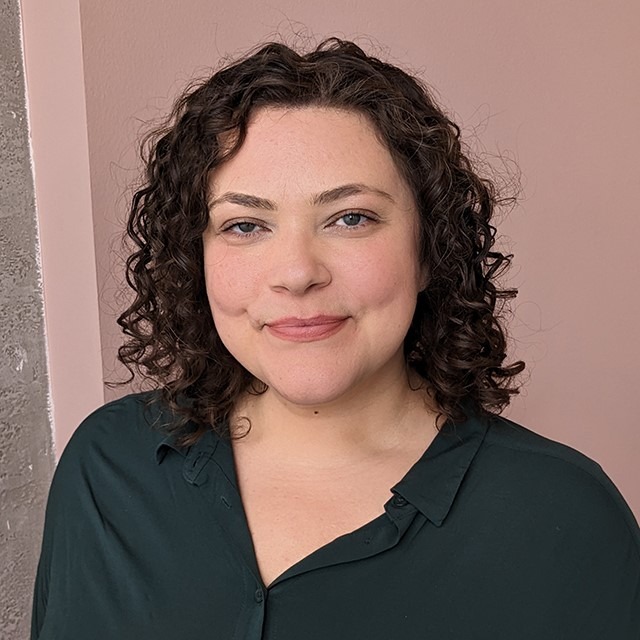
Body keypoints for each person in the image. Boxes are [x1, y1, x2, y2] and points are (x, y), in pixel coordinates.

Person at [32, 39, 640, 639]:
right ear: (198, 258)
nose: (298, 273)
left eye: (351, 218)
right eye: (245, 225)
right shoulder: (108, 467)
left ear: (429, 250)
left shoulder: (566, 517)